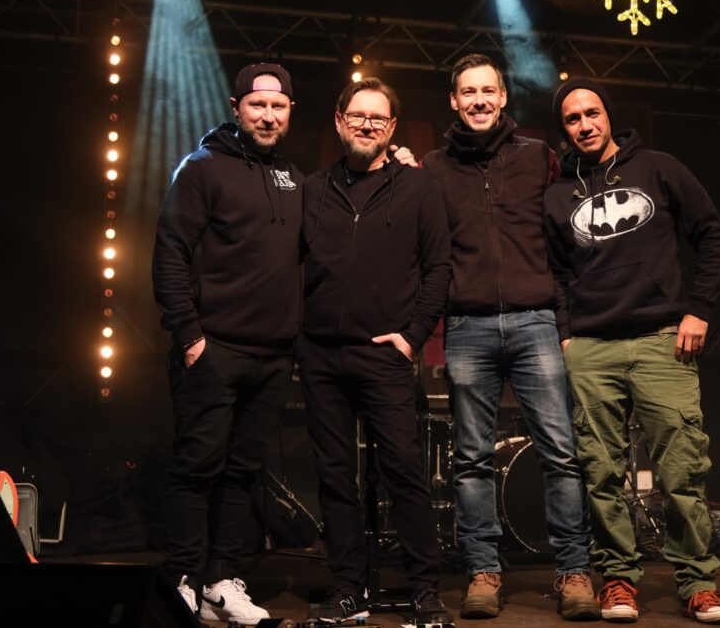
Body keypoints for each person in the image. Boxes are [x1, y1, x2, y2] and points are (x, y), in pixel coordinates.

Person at [543, 77, 720, 624]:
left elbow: (712, 234)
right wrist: (566, 335)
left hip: (660, 341)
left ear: (608, 115)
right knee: (600, 473)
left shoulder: (658, 167)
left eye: (592, 113)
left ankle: (698, 583)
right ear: (564, 130)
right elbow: (554, 273)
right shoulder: (556, 194)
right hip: (591, 348)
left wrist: (699, 308)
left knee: (681, 469)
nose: (585, 125)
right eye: (573, 119)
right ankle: (618, 581)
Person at [422, 54, 599, 621]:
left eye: (487, 91)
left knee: (560, 453)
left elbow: (569, 234)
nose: (478, 100)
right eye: (467, 92)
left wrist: (567, 322)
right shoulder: (432, 168)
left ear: (502, 98)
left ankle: (574, 571)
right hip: (467, 327)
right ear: (454, 101)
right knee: (471, 458)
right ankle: (483, 571)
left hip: (535, 322)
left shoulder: (538, 157)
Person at [297, 78, 454, 625]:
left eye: (378, 118)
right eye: (357, 116)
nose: (367, 125)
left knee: (404, 471)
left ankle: (423, 589)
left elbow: (439, 268)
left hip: (385, 353)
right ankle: (348, 589)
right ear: (339, 121)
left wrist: (413, 336)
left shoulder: (418, 187)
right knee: (335, 475)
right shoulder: (312, 189)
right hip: (320, 356)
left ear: (391, 128)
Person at [152, 63, 301, 625]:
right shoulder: (202, 167)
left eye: (278, 106)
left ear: (289, 112)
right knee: (197, 468)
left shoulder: (293, 177)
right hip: (213, 349)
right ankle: (183, 579)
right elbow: (170, 251)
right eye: (258, 105)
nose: (268, 115)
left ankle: (220, 583)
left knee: (244, 472)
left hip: (273, 355)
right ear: (237, 107)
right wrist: (189, 335)